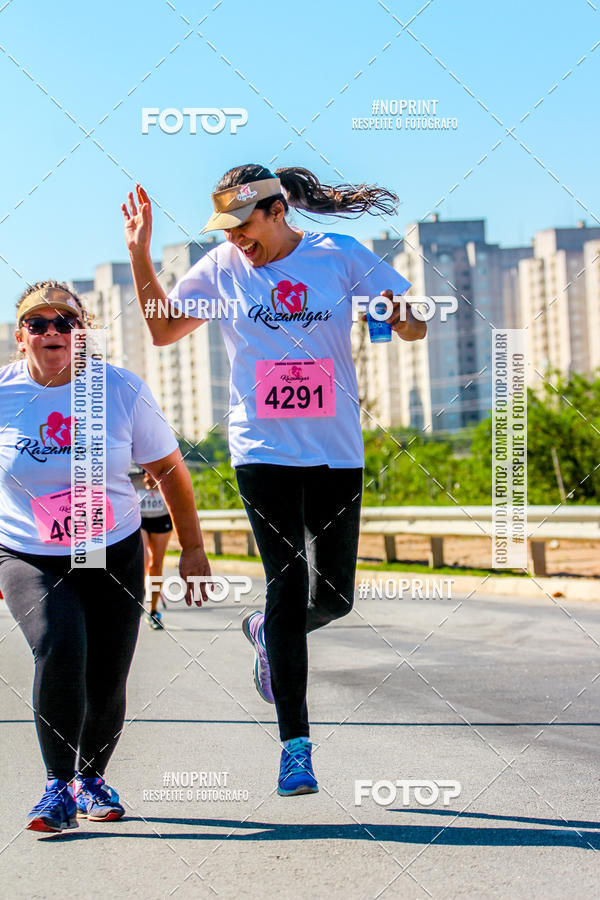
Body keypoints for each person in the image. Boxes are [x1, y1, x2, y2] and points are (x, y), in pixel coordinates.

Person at [122, 166, 426, 796]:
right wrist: (139, 255)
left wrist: (401, 314)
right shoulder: (221, 270)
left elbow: (416, 324)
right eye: (226, 229)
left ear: (277, 209)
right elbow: (162, 329)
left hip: (336, 451)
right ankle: (296, 747)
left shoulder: (338, 256)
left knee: (336, 598)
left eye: (244, 225)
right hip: (261, 451)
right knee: (286, 587)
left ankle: (267, 634)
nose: (236, 239)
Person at [0, 282, 211, 833]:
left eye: (64, 321)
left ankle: (91, 776)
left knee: (108, 671)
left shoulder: (118, 389)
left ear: (82, 332)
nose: (52, 331)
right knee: (59, 642)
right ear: (20, 336)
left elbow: (168, 469)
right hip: (29, 550)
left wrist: (191, 547)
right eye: (38, 323)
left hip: (108, 546)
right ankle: (55, 787)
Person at [137, 467, 173, 630]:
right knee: (143, 559)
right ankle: (139, 592)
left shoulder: (164, 448)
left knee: (156, 565)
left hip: (162, 513)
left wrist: (160, 480)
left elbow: (176, 479)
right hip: (138, 515)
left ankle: (153, 611)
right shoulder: (125, 449)